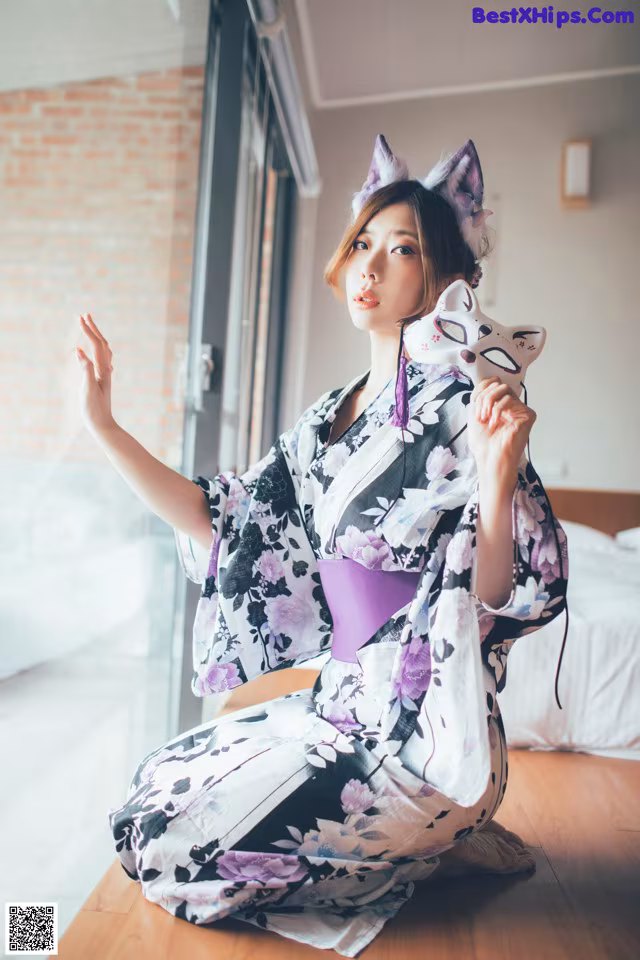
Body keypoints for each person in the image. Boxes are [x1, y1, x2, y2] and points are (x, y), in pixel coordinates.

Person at [76, 135, 568, 958]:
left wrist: (497, 477)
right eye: (364, 244)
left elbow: (498, 596)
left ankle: (440, 840)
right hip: (332, 709)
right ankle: (415, 851)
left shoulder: (466, 405)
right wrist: (104, 426)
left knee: (173, 846)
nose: (371, 265)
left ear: (444, 275)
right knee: (143, 800)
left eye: (402, 248)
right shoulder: (326, 419)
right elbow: (225, 524)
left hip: (420, 739)